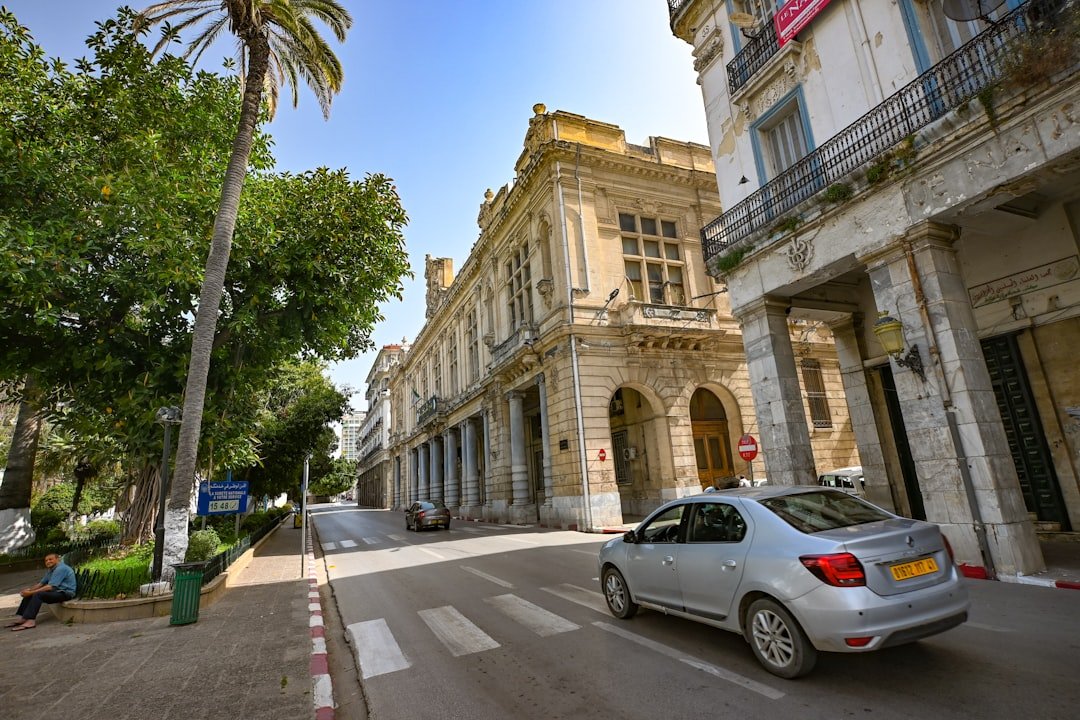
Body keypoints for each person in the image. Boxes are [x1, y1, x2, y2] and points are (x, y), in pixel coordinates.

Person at [7, 552, 77, 631]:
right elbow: (41, 584)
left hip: (65, 593)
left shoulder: (61, 569)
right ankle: (24, 618)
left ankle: (30, 621)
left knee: (38, 594)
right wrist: (28, 590)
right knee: (30, 594)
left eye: (50, 559)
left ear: (58, 559)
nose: (48, 562)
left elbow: (50, 587)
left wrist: (30, 592)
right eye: (46, 560)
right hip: (57, 592)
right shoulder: (51, 570)